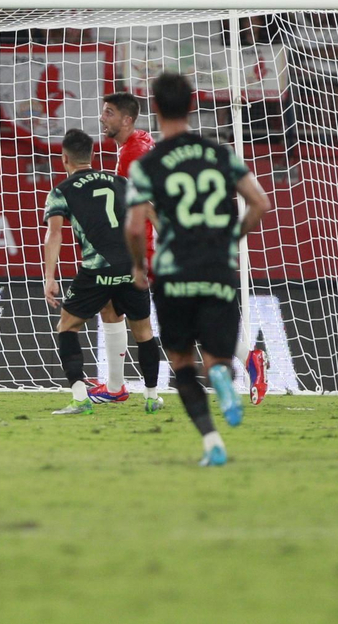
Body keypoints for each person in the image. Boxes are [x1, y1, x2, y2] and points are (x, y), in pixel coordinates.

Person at [125, 72, 270, 466]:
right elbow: (260, 203)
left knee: (182, 363)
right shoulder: (221, 153)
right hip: (218, 269)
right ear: (193, 104)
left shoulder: (148, 163)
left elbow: (135, 226)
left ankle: (212, 443)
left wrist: (139, 267)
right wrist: (231, 239)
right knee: (216, 358)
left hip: (173, 272)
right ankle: (222, 375)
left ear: (154, 108)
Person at [41, 129, 152, 416]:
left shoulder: (61, 190)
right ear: (91, 155)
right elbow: (152, 212)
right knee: (139, 328)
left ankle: (80, 397)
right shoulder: (120, 181)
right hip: (130, 267)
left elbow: (55, 235)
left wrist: (49, 278)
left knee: (67, 327)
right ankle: (148, 395)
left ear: (64, 158)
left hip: (97, 270)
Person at [92, 91, 172, 407]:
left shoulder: (131, 155)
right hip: (144, 244)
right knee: (111, 306)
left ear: (127, 119)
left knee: (172, 317)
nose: (102, 117)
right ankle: (116, 386)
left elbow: (148, 204)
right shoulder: (139, 141)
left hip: (147, 247)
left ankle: (247, 356)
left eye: (109, 112)